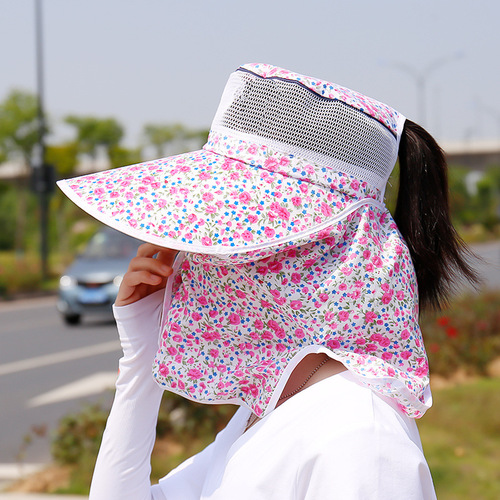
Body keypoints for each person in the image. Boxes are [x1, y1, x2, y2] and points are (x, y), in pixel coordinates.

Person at [57, 63, 478, 499]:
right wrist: (144, 355)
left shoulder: (359, 439)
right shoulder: (270, 409)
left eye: (217, 233)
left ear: (299, 255)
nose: (188, 254)